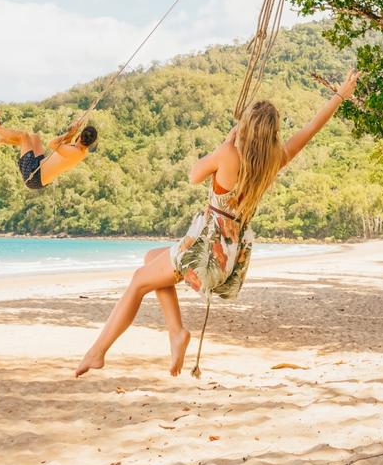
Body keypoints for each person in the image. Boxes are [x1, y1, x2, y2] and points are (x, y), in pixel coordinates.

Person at [74, 68, 361, 377]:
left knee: (138, 282)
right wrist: (340, 95)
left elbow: (193, 175)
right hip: (227, 255)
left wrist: (225, 143)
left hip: (205, 249)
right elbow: (312, 127)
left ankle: (97, 352)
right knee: (150, 260)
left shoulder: (228, 154)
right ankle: (176, 334)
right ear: (273, 132)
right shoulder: (275, 158)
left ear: (246, 126)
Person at [0, 110, 97, 190]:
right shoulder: (80, 150)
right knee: (34, 138)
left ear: (80, 137)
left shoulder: (75, 152)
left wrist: (70, 133)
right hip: (39, 165)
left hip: (34, 176)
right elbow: (65, 143)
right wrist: (74, 130)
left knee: (23, 136)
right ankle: (4, 140)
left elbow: (52, 144)